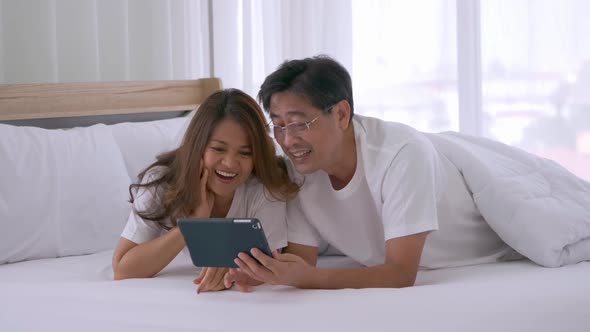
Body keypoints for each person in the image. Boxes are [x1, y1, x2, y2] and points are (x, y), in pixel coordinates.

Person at [223, 55, 524, 290]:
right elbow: (302, 261)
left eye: (300, 123)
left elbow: (400, 273)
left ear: (341, 114)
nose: (288, 141)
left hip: (495, 248)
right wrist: (263, 274)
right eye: (278, 125)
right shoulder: (298, 170)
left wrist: (307, 279)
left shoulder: (401, 154)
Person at [112, 88, 298, 293]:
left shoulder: (265, 188)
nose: (229, 163)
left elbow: (269, 265)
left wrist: (232, 273)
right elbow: (122, 269)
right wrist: (190, 226)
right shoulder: (161, 182)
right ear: (197, 146)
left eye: (245, 153)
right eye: (218, 149)